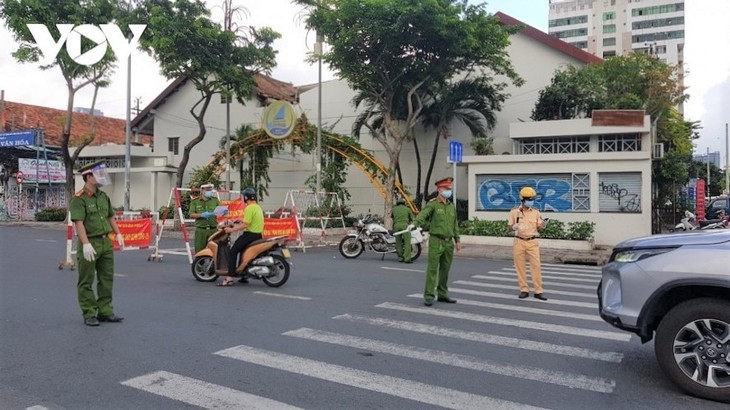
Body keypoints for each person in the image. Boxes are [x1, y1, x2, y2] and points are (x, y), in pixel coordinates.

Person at [69, 161, 125, 326]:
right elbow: (79, 223)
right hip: (90, 242)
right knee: (86, 280)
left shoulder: (103, 196)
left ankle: (105, 311)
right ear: (88, 177)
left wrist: (118, 233)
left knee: (106, 278)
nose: (101, 177)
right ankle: (89, 313)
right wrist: (85, 244)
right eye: (97, 174)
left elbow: (110, 217)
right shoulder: (79, 199)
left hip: (105, 242)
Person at [408, 177, 461, 306]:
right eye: (446, 188)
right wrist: (414, 224)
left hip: (449, 242)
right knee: (432, 270)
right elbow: (423, 215)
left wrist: (457, 240)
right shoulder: (433, 204)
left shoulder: (451, 206)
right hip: (436, 241)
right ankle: (429, 295)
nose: (449, 190)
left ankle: (442, 294)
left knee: (445, 269)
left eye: (450, 188)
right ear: (439, 189)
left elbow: (455, 225)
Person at [508, 186, 548, 301]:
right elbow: (509, 227)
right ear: (522, 199)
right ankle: (524, 290)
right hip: (519, 241)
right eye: (528, 199)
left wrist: (543, 225)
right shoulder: (514, 212)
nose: (531, 201)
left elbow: (539, 227)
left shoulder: (536, 212)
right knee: (520, 267)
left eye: (532, 199)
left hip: (532, 241)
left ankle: (538, 291)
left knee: (536, 266)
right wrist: (513, 227)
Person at [218, 187, 264, 286]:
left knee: (233, 251)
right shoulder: (257, 207)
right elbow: (249, 220)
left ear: (246, 197)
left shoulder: (249, 208)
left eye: (243, 196)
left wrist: (231, 229)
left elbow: (245, 225)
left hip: (250, 235)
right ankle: (244, 275)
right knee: (243, 252)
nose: (242, 198)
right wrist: (239, 219)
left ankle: (230, 277)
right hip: (258, 235)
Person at [188, 183, 222, 253]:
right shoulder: (195, 202)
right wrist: (201, 215)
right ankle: (200, 263)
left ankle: (213, 264)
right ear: (202, 190)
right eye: (207, 190)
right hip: (201, 230)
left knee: (215, 250)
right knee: (200, 251)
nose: (209, 191)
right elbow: (191, 214)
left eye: (210, 189)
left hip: (213, 229)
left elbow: (220, 211)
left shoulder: (215, 200)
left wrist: (223, 212)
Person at [392, 195, 414, 263]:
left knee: (398, 243)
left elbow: (392, 217)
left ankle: (400, 258)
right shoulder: (407, 209)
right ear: (404, 203)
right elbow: (411, 218)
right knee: (407, 243)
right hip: (405, 226)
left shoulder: (394, 209)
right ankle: (407, 259)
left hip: (396, 226)